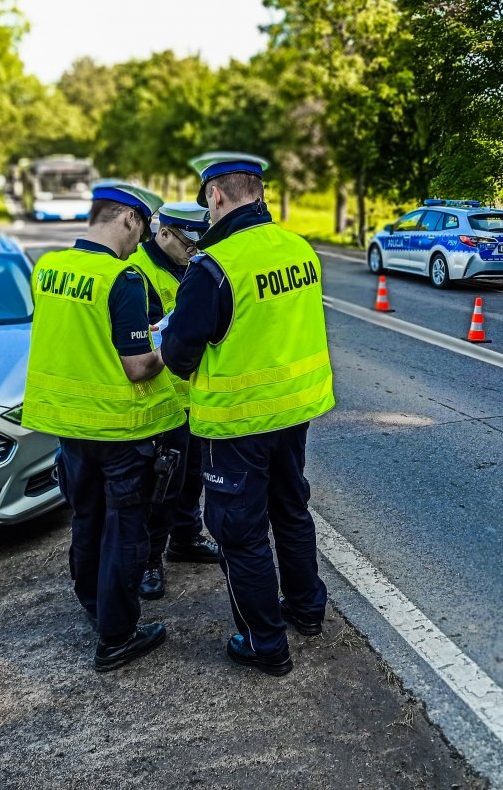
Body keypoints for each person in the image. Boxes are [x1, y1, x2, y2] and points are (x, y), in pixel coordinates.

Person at [161, 152, 334, 677]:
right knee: (291, 511)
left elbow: (178, 355)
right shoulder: (298, 248)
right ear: (258, 191)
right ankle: (307, 610)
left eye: (206, 204)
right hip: (294, 412)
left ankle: (265, 644)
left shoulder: (213, 267)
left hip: (237, 424)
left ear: (215, 196)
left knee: (240, 534)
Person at [22, 180, 186, 672]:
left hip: (68, 428)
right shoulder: (123, 280)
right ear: (129, 219)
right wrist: (169, 344)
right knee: (126, 532)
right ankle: (117, 636)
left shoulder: (48, 269)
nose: (140, 244)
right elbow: (138, 366)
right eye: (141, 230)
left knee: (86, 521)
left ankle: (94, 607)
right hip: (120, 431)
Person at [126, 201, 221, 601]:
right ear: (163, 233)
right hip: (158, 401)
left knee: (190, 478)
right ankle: (150, 559)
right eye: (187, 243)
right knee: (158, 486)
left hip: (192, 398)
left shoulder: (196, 267)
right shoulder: (136, 274)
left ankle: (186, 538)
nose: (193, 251)